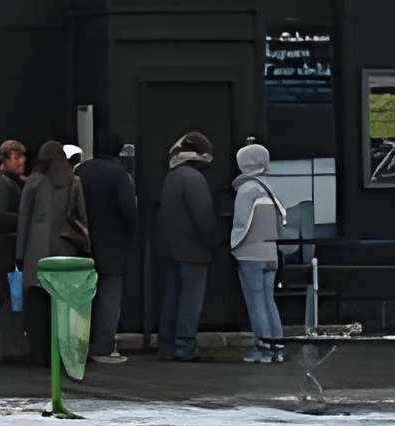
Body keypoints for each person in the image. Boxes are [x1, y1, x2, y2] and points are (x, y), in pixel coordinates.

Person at [74, 137, 143, 367]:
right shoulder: (119, 175)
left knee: (82, 297)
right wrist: (131, 235)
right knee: (109, 297)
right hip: (113, 244)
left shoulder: (81, 170)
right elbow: (129, 212)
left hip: (81, 241)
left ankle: (78, 344)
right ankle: (103, 346)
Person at [157, 130, 219, 362]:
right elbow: (203, 217)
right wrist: (213, 242)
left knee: (172, 298)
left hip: (173, 249)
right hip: (194, 252)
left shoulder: (171, 177)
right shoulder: (194, 179)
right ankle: (185, 346)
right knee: (191, 301)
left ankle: (167, 345)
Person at [13, 140, 80, 354]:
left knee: (37, 302)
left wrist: (19, 253)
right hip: (65, 248)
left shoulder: (34, 181)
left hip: (37, 250)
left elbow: (23, 219)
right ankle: (61, 351)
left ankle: (39, 351)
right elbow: (81, 216)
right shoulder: (74, 180)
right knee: (62, 302)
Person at [229, 141, 288, 364]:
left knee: (255, 302)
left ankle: (262, 349)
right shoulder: (271, 188)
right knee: (269, 300)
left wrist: (235, 247)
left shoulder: (246, 190)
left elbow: (240, 224)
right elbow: (281, 224)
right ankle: (277, 348)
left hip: (250, 254)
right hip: (271, 252)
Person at [0, 138, 29, 348]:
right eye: (16, 157)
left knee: (14, 297)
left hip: (10, 248)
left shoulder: (13, 182)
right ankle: (11, 346)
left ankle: (13, 344)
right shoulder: (4, 183)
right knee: (13, 297)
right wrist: (23, 220)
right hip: (8, 250)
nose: (21, 161)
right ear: (4, 159)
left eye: (22, 156)